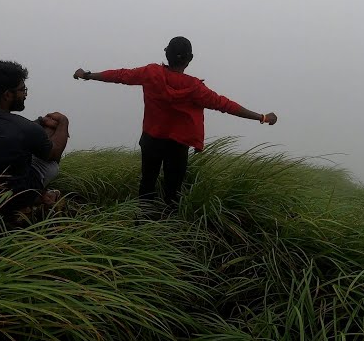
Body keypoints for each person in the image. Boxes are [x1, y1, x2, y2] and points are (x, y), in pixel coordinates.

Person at [73, 36, 277, 211]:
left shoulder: (151, 73)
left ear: (166, 54)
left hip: (151, 139)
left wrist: (88, 75)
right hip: (177, 145)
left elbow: (120, 76)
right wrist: (262, 117)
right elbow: (226, 105)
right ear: (189, 59)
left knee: (147, 184)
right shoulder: (196, 88)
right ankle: (169, 232)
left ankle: (141, 226)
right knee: (173, 190)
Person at [0, 60, 71, 209]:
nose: (25, 94)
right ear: (8, 95)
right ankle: (38, 195)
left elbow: (8, 129)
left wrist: (40, 121)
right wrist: (63, 122)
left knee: (33, 140)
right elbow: (54, 154)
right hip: (14, 198)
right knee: (51, 162)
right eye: (22, 90)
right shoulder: (23, 127)